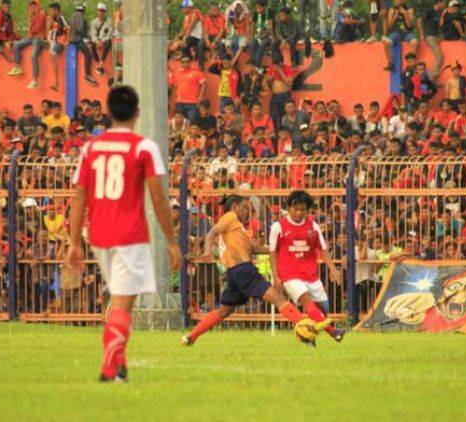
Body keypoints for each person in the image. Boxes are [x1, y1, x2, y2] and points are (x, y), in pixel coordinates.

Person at [66, 85, 181, 382]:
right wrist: (171, 241)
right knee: (122, 305)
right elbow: (158, 199)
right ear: (138, 112)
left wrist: (74, 242)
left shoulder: (92, 148)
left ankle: (120, 366)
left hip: (99, 235)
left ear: (108, 111)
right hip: (130, 234)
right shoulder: (144, 147)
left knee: (118, 300)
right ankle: (108, 366)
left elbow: (79, 195)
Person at [181, 194, 321, 346]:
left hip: (234, 274)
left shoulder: (239, 229)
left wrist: (282, 248)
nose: (247, 212)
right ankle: (306, 329)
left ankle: (191, 337)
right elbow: (211, 233)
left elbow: (256, 248)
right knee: (278, 298)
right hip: (243, 270)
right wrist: (207, 253)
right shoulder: (230, 216)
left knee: (224, 311)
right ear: (235, 207)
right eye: (244, 208)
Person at [269, 190, 345, 342]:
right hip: (289, 274)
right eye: (295, 209)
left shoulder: (313, 227)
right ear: (289, 208)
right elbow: (273, 253)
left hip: (310, 274)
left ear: (307, 210)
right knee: (306, 300)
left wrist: (332, 269)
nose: (298, 212)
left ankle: (308, 336)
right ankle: (334, 332)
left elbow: (323, 249)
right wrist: (276, 277)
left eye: (302, 209)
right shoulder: (278, 226)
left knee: (323, 308)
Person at [8, 0, 47, 90]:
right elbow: (31, 30)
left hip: (40, 38)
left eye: (34, 6)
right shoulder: (31, 15)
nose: (33, 8)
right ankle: (17, 67)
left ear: (38, 6)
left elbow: (39, 27)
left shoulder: (41, 14)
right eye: (31, 6)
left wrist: (31, 31)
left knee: (33, 56)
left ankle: (35, 81)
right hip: (32, 37)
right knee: (17, 45)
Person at [383, 0, 418, 72]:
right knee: (386, 43)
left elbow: (410, 25)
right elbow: (389, 26)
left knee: (415, 42)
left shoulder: (409, 9)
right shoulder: (392, 9)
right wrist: (394, 17)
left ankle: (411, 64)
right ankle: (390, 63)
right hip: (396, 33)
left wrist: (405, 14)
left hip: (407, 32)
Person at [170, 55, 206, 123]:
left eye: (187, 61)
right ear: (180, 62)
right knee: (180, 123)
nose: (185, 63)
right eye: (183, 62)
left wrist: (200, 98)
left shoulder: (196, 72)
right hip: (179, 103)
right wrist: (174, 101)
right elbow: (174, 89)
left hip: (192, 103)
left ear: (190, 62)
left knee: (192, 123)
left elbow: (204, 84)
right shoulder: (176, 73)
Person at [417, 0, 445, 79]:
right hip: (429, 37)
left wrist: (442, 18)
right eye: (443, 3)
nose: (444, 4)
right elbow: (419, 21)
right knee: (439, 56)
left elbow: (439, 25)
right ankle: (434, 76)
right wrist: (422, 35)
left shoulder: (439, 13)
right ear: (439, 2)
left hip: (437, 36)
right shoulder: (429, 11)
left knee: (448, 35)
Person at [46, 3, 68, 92]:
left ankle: (56, 82)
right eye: (50, 11)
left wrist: (67, 42)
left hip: (61, 41)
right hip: (53, 41)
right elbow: (49, 31)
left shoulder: (61, 19)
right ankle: (56, 82)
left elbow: (68, 29)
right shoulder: (52, 19)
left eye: (52, 11)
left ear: (56, 11)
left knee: (51, 55)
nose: (50, 12)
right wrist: (49, 23)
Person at [89, 3, 112, 76]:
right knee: (92, 45)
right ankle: (98, 64)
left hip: (105, 40)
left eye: (102, 11)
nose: (101, 12)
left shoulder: (109, 21)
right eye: (99, 10)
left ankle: (101, 65)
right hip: (97, 41)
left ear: (105, 12)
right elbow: (93, 34)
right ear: (97, 11)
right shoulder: (94, 22)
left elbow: (110, 34)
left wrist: (102, 41)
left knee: (108, 43)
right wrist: (97, 41)